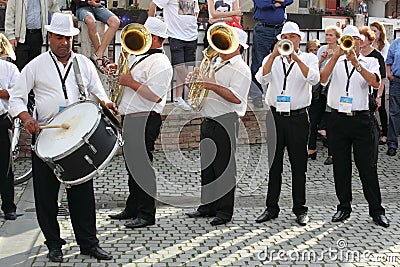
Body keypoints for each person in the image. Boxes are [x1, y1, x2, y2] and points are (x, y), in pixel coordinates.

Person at [9, 13, 115, 262]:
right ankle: (54, 244)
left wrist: (109, 103)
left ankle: (88, 243)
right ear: (49, 37)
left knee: (83, 196)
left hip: (77, 141)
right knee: (46, 197)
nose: (64, 43)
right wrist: (26, 118)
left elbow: (98, 92)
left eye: (68, 38)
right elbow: (16, 97)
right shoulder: (36, 65)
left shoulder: (83, 64)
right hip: (47, 140)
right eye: (59, 37)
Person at [320, 25, 389, 228]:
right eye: (348, 39)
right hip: (338, 119)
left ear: (361, 42)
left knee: (367, 166)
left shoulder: (371, 61)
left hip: (361, 119)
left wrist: (356, 64)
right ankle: (343, 206)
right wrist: (335, 56)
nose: (352, 44)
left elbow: (375, 83)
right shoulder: (336, 61)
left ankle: (376, 210)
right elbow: (323, 79)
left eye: (355, 40)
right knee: (341, 166)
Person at [108, 17, 173, 228]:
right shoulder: (142, 58)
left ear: (154, 38)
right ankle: (132, 207)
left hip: (145, 118)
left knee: (142, 168)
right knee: (132, 166)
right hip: (132, 117)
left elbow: (155, 96)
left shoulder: (161, 62)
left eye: (144, 33)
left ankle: (146, 214)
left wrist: (129, 81)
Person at [255, 22, 319, 226]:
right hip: (275, 116)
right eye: (286, 36)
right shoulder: (271, 58)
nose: (290, 40)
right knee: (274, 165)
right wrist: (274, 55)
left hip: (298, 117)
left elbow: (314, 79)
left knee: (299, 165)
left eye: (294, 36)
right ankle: (271, 207)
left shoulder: (309, 58)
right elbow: (261, 78)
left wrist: (296, 58)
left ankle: (300, 208)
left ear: (300, 39)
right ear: (280, 38)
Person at [185, 26, 251, 226]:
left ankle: (224, 211)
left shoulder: (241, 68)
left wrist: (211, 85)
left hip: (226, 120)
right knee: (208, 167)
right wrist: (194, 83)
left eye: (225, 43)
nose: (220, 48)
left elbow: (236, 98)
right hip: (209, 120)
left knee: (224, 168)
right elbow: (206, 89)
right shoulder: (216, 63)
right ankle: (207, 206)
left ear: (238, 46)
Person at [149, 0, 199, 111]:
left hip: (192, 36)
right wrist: (151, 27)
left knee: (186, 67)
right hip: (176, 35)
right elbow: (153, 4)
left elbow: (196, 12)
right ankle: (193, 91)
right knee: (180, 67)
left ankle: (179, 97)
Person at [250, 0, 294, 108]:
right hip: (263, 29)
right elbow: (262, 5)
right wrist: (278, 3)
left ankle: (278, 93)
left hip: (280, 29)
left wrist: (274, 4)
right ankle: (257, 96)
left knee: (281, 61)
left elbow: (289, 0)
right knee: (259, 62)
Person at [310, 25, 342, 165]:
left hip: (334, 88)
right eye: (326, 35)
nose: (328, 37)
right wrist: (322, 60)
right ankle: (311, 148)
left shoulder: (341, 50)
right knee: (313, 118)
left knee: (331, 121)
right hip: (321, 88)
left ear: (337, 37)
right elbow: (315, 68)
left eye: (331, 35)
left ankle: (332, 153)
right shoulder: (322, 49)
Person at [5, 0, 60, 71]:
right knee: (20, 68)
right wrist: (10, 36)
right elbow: (10, 14)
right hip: (21, 38)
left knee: (35, 68)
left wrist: (60, 24)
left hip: (37, 35)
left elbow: (54, 7)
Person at [0, 37, 19, 221]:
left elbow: (18, 92)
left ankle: (8, 207)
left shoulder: (9, 68)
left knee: (5, 166)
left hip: (1, 120)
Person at [73, 0, 120, 73]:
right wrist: (89, 2)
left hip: (99, 7)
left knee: (115, 22)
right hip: (82, 7)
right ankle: (101, 57)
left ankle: (98, 55)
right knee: (90, 21)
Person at [386, 37, 400, 156]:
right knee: (394, 113)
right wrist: (390, 74)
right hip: (397, 81)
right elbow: (389, 61)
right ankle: (392, 144)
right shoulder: (396, 43)